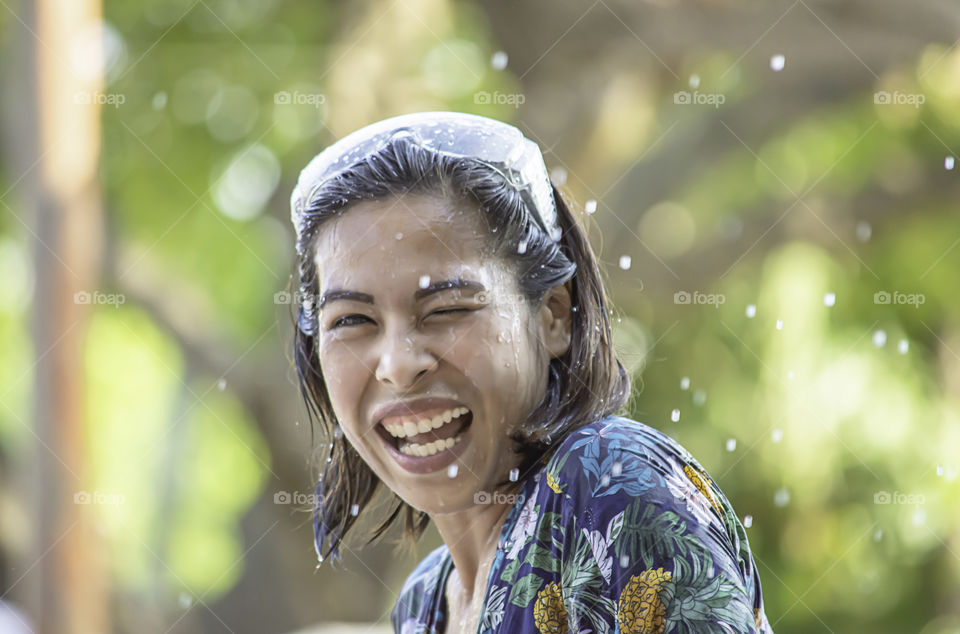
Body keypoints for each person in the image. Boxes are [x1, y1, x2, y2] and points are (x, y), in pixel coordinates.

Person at [288, 112, 774, 634]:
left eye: (447, 309)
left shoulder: (609, 482)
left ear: (553, 317)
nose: (399, 365)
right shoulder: (425, 603)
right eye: (353, 320)